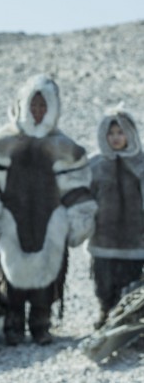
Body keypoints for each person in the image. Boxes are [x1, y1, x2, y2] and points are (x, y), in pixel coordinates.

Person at [0, 74, 97, 345]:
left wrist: (79, 214)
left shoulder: (65, 147)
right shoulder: (1, 143)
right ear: (22, 105)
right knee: (10, 272)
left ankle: (41, 324)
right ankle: (13, 325)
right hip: (11, 218)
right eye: (33, 105)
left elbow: (75, 186)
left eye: (43, 106)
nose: (37, 111)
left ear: (52, 109)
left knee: (48, 272)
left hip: (49, 219)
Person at [88, 106, 144, 329]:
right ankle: (105, 312)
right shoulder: (96, 165)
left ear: (130, 133)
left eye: (120, 132)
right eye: (111, 133)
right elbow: (85, 199)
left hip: (135, 239)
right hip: (103, 240)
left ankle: (130, 318)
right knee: (104, 282)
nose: (116, 138)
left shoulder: (141, 165)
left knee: (132, 283)